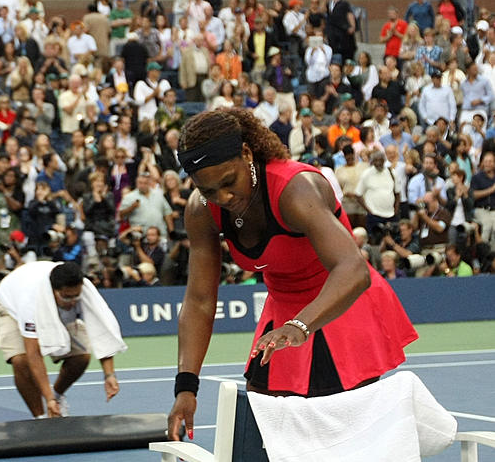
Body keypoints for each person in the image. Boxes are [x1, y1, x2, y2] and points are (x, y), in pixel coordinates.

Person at [166, 109, 417, 442]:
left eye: (228, 182)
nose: (223, 197)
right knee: (265, 436)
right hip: (283, 311)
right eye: (209, 190)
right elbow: (199, 301)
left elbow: (353, 269)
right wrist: (186, 386)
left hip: (340, 302)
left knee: (344, 442)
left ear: (246, 154)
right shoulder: (201, 211)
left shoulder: (295, 189)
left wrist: (301, 325)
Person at [0, 261, 124, 418]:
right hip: (11, 307)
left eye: (76, 296)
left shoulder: (84, 289)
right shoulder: (30, 302)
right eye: (67, 297)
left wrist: (109, 375)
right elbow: (33, 354)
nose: (73, 301)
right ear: (54, 291)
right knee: (21, 361)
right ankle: (40, 418)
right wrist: (47, 399)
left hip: (56, 312)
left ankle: (57, 395)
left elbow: (101, 331)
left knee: (81, 357)